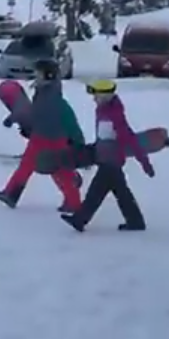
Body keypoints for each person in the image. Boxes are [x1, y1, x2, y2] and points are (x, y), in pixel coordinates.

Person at [0, 59, 82, 212]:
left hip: (53, 139)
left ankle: (74, 202)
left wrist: (75, 140)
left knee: (60, 171)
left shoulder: (52, 96)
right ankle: (11, 194)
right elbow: (34, 112)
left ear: (48, 76)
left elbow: (59, 117)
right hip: (39, 137)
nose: (35, 75)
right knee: (27, 166)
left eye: (38, 73)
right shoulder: (42, 91)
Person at [61, 80, 152, 233]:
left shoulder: (115, 115)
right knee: (121, 193)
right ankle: (135, 221)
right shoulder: (102, 111)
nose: (94, 99)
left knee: (96, 192)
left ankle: (80, 219)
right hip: (105, 160)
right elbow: (103, 138)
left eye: (97, 95)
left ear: (107, 95)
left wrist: (144, 161)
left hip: (111, 162)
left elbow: (129, 138)